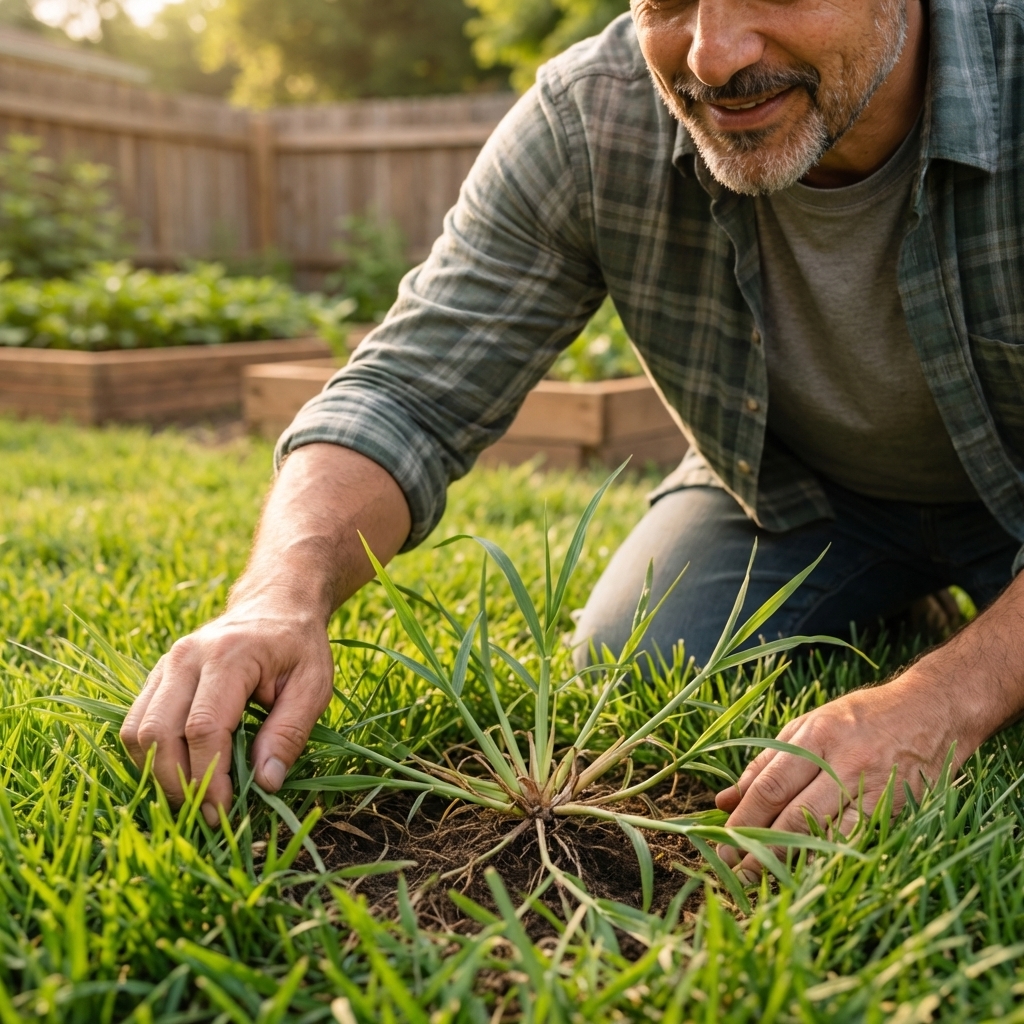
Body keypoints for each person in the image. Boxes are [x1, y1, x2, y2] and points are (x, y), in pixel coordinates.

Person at [121, 0, 1024, 884]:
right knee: (635, 657)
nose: (712, 55)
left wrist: (946, 699)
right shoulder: (592, 120)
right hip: (798, 487)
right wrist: (279, 596)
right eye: (668, 1)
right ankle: (906, 606)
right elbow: (406, 392)